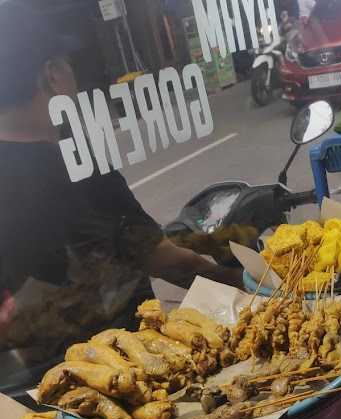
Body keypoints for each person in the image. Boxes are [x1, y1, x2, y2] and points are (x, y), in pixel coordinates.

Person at [0, 2, 242, 375]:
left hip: (31, 380)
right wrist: (247, 286)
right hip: (117, 372)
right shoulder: (74, 166)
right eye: (69, 65)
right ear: (53, 76)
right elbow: (160, 258)